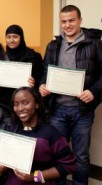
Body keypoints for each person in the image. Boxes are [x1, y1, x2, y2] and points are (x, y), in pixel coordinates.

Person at [39, 5, 102, 185]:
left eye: (71, 20)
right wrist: (43, 84)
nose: (67, 25)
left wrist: (94, 91)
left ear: (80, 20)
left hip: (82, 111)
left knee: (81, 156)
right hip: (57, 110)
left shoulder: (95, 44)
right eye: (64, 21)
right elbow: (45, 71)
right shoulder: (53, 45)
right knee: (57, 154)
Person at [1, 87, 75, 185]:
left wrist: (34, 176)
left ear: (37, 104)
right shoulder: (11, 130)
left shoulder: (50, 133)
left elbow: (68, 166)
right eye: (16, 104)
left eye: (25, 103)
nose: (20, 108)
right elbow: (7, 160)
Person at [0, 24, 43, 108]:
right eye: (8, 37)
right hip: (4, 103)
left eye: (15, 37)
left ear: (21, 38)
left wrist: (34, 83)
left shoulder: (34, 56)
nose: (12, 40)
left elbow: (41, 79)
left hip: (25, 102)